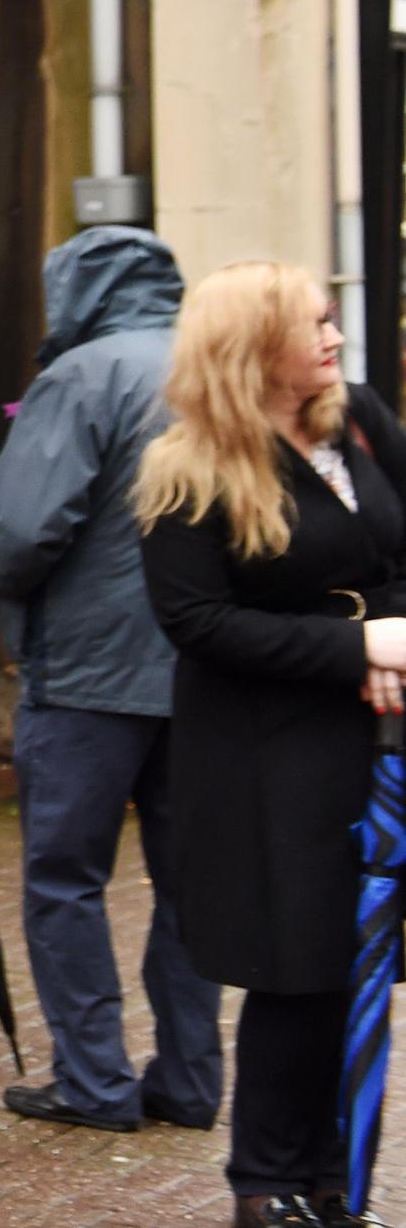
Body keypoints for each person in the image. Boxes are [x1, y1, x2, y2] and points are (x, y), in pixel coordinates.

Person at [136, 263, 406, 1228]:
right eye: (315, 326)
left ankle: (337, 1180)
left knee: (359, 958)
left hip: (365, 735)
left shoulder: (361, 419)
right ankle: (266, 1183)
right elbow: (197, 621)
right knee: (297, 964)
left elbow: (398, 551)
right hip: (259, 754)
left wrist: (389, 632)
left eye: (333, 321)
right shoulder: (188, 467)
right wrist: (353, 644)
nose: (335, 340)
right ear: (253, 350)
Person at [0, 225, 222, 1138]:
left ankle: (94, 1080)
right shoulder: (215, 368)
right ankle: (193, 1080)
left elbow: (28, 531)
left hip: (89, 670)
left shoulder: (84, 374)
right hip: (208, 672)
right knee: (190, 881)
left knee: (64, 879)